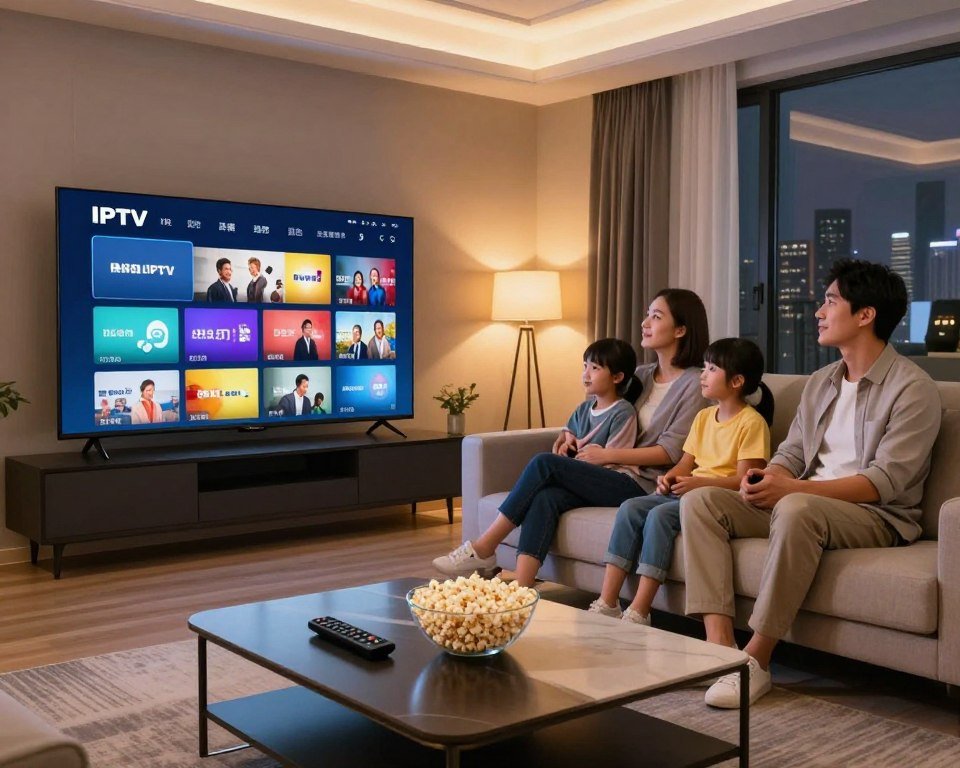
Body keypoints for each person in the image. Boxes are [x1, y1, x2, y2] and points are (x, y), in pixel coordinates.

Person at [681, 259, 942, 710]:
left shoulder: (912, 388)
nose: (819, 312)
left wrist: (794, 492)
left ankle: (755, 661)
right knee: (703, 500)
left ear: (865, 315)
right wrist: (769, 479)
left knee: (797, 508)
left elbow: (885, 482)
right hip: (804, 503)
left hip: (878, 515)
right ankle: (720, 649)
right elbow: (793, 453)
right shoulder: (821, 381)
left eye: (830, 301)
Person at [433, 288, 710, 586]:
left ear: (681, 329)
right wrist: (569, 438)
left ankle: (484, 546)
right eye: (647, 315)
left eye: (656, 317)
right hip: (611, 474)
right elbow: (603, 411)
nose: (645, 323)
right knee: (547, 496)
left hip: (643, 485)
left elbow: (671, 452)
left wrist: (607, 455)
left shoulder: (695, 383)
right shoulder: (641, 375)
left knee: (545, 464)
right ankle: (521, 588)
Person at [588, 338, 774, 626]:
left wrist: (697, 486)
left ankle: (639, 609)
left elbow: (744, 481)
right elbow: (685, 465)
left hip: (716, 500)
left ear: (736, 381)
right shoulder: (703, 417)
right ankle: (608, 601)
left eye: (712, 369)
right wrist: (669, 478)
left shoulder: (752, 423)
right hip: (688, 491)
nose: (703, 374)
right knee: (631, 508)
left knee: (660, 516)